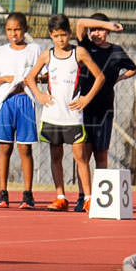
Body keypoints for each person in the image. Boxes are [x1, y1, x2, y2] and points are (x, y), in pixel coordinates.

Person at [23, 14, 105, 212]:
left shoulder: (79, 53)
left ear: (69, 33)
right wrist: (40, 95)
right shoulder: (47, 55)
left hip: (72, 116)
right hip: (52, 115)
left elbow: (100, 77)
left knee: (81, 157)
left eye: (64, 35)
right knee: (55, 155)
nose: (61, 39)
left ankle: (88, 197)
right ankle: (60, 196)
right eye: (56, 35)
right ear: (51, 35)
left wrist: (86, 98)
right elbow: (29, 78)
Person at [74, 13, 136, 208]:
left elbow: (133, 69)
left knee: (100, 153)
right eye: (94, 30)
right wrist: (106, 24)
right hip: (83, 106)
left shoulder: (116, 51)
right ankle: (83, 196)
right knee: (82, 154)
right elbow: (80, 23)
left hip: (104, 108)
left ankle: (101, 198)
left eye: (100, 30)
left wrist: (118, 79)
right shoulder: (85, 46)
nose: (96, 33)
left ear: (108, 33)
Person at [0, 12, 42, 208]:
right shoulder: (1, 52)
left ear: (25, 29)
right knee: (4, 147)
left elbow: (43, 75)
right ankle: (2, 192)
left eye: (17, 29)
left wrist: (30, 78)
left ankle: (27, 193)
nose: (13, 33)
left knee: (25, 148)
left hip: (25, 101)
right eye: (9, 30)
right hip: (6, 102)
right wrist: (6, 78)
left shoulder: (34, 50)